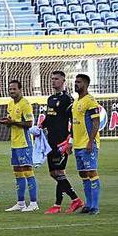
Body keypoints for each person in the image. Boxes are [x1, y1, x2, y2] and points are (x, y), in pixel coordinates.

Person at [41, 71, 84, 214]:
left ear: (63, 81)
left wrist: (70, 140)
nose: (53, 81)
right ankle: (70, 201)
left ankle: (64, 203)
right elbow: (49, 118)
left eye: (56, 79)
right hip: (50, 141)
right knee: (54, 173)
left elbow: (74, 121)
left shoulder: (67, 99)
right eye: (52, 79)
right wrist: (40, 127)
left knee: (59, 172)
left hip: (61, 142)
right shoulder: (50, 99)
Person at [0, 81, 39, 212]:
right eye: (10, 89)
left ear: (20, 89)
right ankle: (21, 202)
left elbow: (29, 123)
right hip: (14, 143)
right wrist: (7, 123)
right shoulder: (10, 104)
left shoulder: (25, 104)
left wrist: (13, 122)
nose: (11, 91)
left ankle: (33, 203)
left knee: (28, 171)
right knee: (17, 173)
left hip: (24, 143)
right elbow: (13, 122)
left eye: (14, 89)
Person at [69, 73, 101, 214]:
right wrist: (71, 142)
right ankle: (88, 204)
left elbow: (96, 122)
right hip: (77, 145)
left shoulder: (90, 101)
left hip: (88, 144)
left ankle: (94, 206)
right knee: (83, 174)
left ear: (86, 84)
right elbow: (74, 125)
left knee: (92, 172)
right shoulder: (75, 102)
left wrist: (90, 141)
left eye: (79, 82)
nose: (76, 84)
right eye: (75, 82)